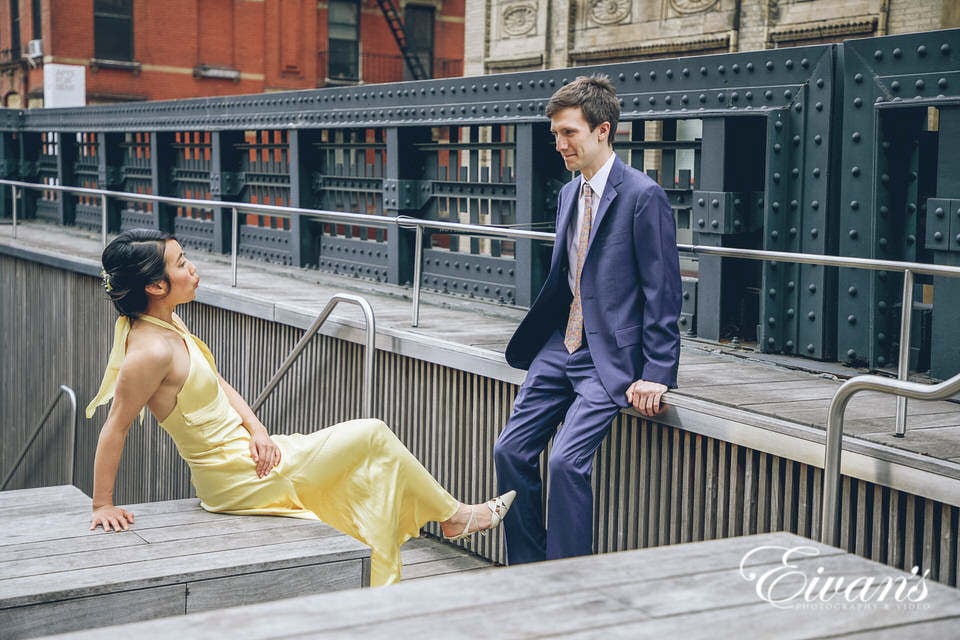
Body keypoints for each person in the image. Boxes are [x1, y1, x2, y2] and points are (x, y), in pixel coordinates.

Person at [86, 228, 515, 587]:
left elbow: (214, 383)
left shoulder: (169, 322)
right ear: (156, 286)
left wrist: (257, 429)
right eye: (180, 263)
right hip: (235, 478)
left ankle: (434, 534)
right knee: (372, 434)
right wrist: (101, 505)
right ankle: (455, 517)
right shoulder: (148, 352)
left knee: (368, 466)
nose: (192, 268)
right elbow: (116, 427)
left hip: (250, 454)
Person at [493, 75, 681, 564]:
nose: (559, 144)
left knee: (565, 462)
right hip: (560, 346)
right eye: (555, 134)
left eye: (569, 133)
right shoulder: (568, 195)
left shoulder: (644, 196)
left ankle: (568, 578)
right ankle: (527, 569)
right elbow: (565, 277)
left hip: (610, 358)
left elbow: (663, 294)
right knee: (510, 451)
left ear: (603, 130)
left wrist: (656, 375)